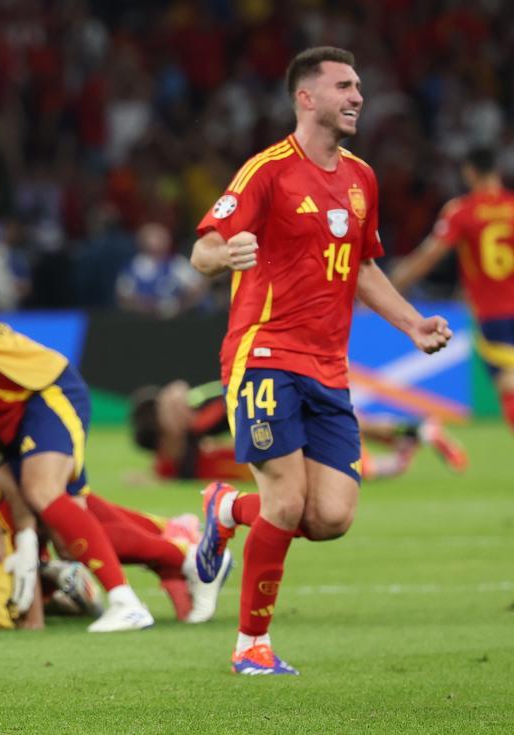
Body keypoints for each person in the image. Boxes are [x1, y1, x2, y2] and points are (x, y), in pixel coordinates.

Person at [188, 47, 452, 675]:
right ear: (306, 98)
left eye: (359, 85)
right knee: (284, 501)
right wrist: (224, 258)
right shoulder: (268, 171)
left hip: (328, 368)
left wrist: (412, 323)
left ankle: (225, 510)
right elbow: (203, 249)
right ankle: (251, 646)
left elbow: (362, 266)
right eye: (344, 86)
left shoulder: (361, 178)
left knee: (330, 516)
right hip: (264, 355)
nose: (357, 96)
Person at [0, 282, 165, 632]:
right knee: (69, 535)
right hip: (19, 418)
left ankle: (125, 600)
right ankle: (181, 556)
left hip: (42, 390)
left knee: (43, 493)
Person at [391, 148, 514, 433]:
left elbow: (429, 256)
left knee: (508, 388)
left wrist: (392, 283)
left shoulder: (462, 211)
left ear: (469, 172)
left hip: (492, 315)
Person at [129, 380, 466, 482]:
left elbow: (183, 393)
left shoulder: (202, 409)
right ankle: (415, 435)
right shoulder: (188, 444)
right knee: (337, 433)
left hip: (274, 399)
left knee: (337, 428)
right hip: (270, 412)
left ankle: (415, 436)